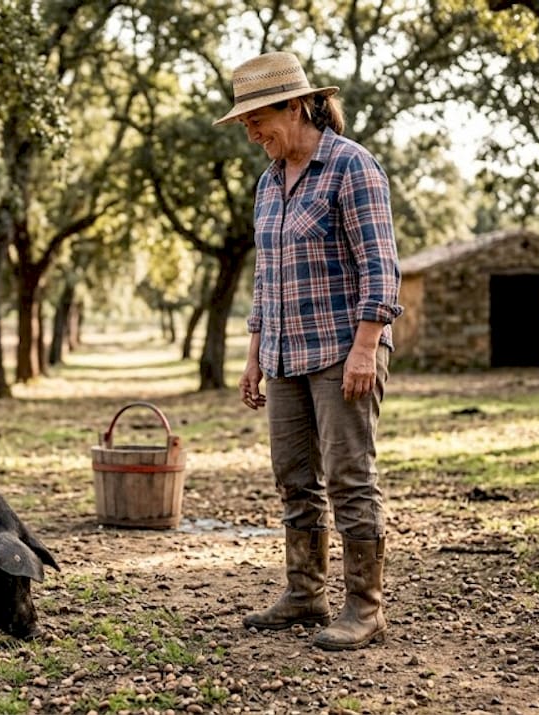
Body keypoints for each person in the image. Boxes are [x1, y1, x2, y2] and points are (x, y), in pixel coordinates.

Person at [214, 51, 403, 650]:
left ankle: (366, 608)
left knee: (349, 477)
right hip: (284, 351)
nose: (251, 132)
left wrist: (366, 347)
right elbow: (266, 278)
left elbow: (381, 266)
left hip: (344, 349)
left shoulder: (352, 167)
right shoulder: (269, 184)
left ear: (295, 106)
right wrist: (252, 354)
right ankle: (305, 595)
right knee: (294, 478)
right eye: (244, 123)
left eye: (256, 119)